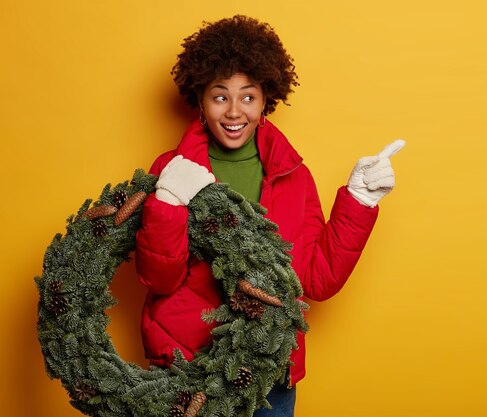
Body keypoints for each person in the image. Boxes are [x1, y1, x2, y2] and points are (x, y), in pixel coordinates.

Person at [134, 15, 404, 417]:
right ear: (200, 98)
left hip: (269, 376)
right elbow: (159, 279)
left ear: (266, 99)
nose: (233, 111)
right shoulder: (170, 169)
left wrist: (359, 202)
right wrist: (168, 204)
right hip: (188, 370)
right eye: (220, 96)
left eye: (248, 96)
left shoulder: (293, 174)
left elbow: (316, 278)